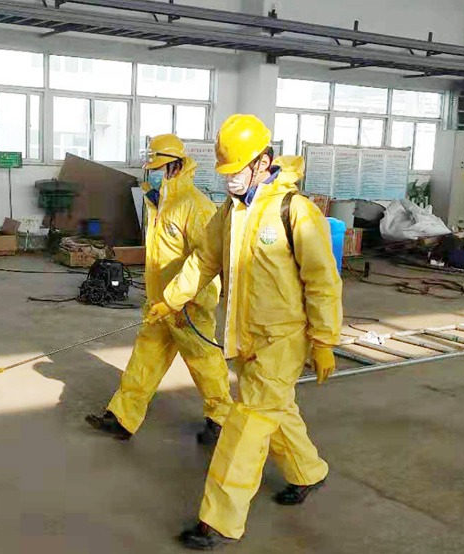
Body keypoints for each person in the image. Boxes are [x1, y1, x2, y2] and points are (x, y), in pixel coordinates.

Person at [146, 115, 343, 549]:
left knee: (248, 422)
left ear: (263, 163)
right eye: (226, 172)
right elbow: (203, 260)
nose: (229, 179)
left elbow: (322, 280)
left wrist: (325, 340)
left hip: (283, 338)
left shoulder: (295, 211)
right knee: (275, 409)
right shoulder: (231, 212)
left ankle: (220, 520)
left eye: (236, 170)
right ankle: (309, 472)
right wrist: (173, 299)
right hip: (246, 335)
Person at [86, 134, 233, 444]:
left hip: (190, 305)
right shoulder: (160, 204)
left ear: (176, 167)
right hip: (159, 302)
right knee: (145, 358)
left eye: (159, 169)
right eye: (151, 169)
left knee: (205, 363)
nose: (154, 175)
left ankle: (221, 420)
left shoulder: (196, 206)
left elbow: (207, 259)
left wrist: (183, 298)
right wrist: (160, 298)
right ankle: (122, 417)